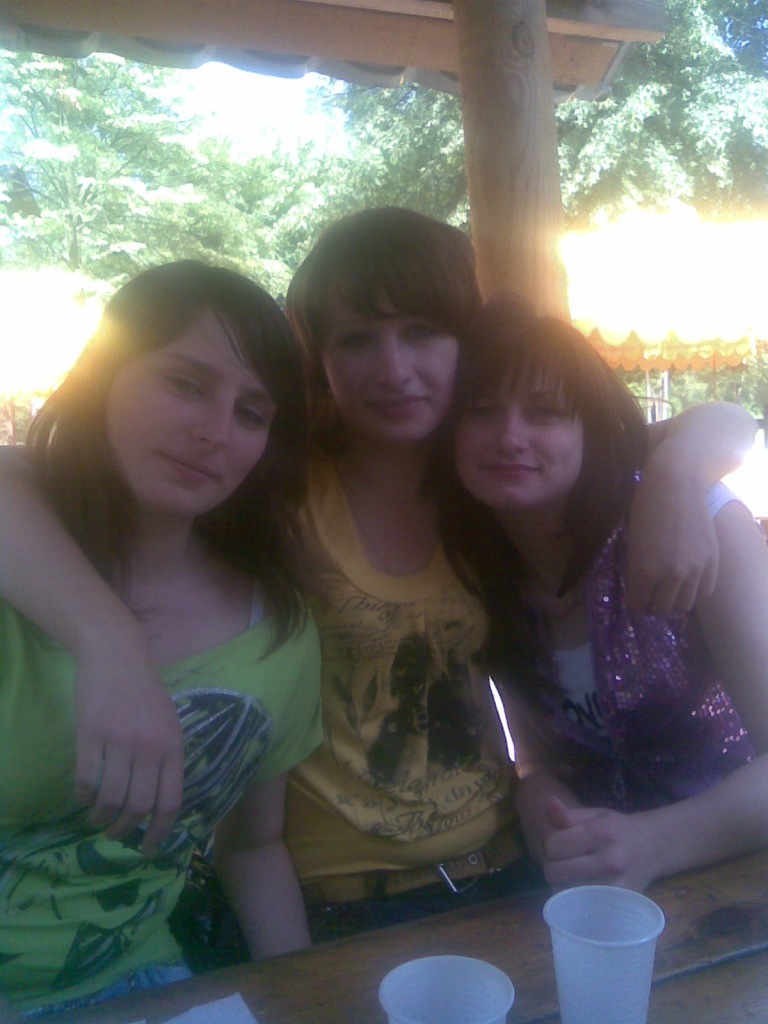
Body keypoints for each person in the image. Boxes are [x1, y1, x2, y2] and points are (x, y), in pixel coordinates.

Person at [0, 210, 757, 943]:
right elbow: (22, 477)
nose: (393, 370)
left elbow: (680, 428)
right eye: (356, 339)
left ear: (466, 342)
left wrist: (678, 472)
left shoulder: (490, 482)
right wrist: (109, 641)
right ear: (320, 358)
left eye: (422, 332)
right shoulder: (277, 480)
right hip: (337, 904)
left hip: (510, 869)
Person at [0, 261, 322, 1016]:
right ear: (104, 376)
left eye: (251, 413)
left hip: (140, 981)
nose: (214, 432)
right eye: (185, 383)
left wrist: (308, 997)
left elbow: (254, 846)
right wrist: (109, 643)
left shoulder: (278, 634)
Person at [448, 293, 768, 893]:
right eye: (482, 412)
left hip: (741, 891)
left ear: (589, 432)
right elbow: (538, 753)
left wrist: (653, 843)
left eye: (544, 413)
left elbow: (733, 423)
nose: (509, 437)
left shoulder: (695, 521)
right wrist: (537, 791)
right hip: (596, 902)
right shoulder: (478, 574)